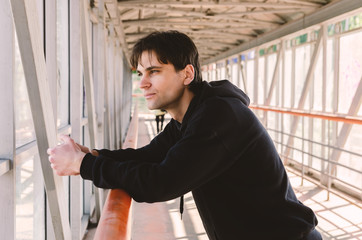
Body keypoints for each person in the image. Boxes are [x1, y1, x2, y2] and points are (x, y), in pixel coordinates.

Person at [47, 30, 322, 240]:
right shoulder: (188, 117)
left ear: (187, 74)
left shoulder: (217, 116)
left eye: (154, 72)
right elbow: (149, 157)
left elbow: (161, 183)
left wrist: (83, 166)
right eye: (140, 73)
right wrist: (91, 155)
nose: (142, 83)